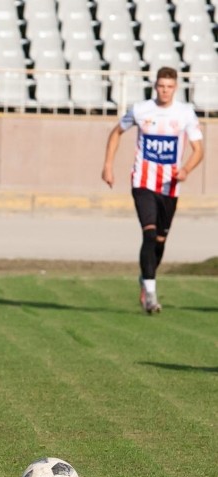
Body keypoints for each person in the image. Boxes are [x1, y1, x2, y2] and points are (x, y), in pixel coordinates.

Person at [102, 67, 203, 314]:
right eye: (161, 86)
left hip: (170, 187)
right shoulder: (140, 110)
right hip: (143, 183)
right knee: (149, 233)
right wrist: (107, 166)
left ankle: (145, 277)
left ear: (175, 87)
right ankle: (151, 293)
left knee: (159, 240)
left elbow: (198, 150)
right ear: (155, 86)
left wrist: (186, 170)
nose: (164, 91)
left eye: (169, 87)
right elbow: (116, 133)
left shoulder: (185, 113)